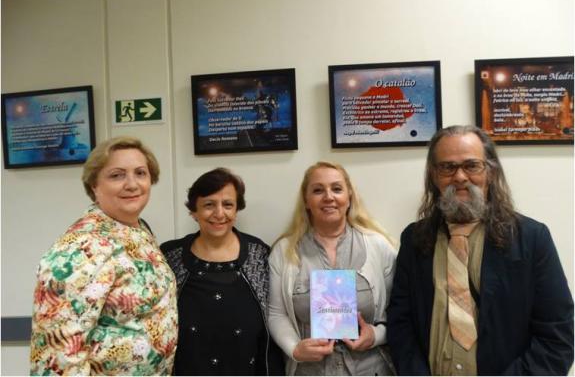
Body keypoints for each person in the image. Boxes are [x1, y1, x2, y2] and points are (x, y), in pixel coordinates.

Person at [387, 125, 574, 375]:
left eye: (471, 165)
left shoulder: (531, 239)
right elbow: (401, 326)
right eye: (448, 167)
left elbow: (557, 335)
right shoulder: (414, 239)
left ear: (490, 171)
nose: (460, 177)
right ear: (434, 175)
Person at [30, 136, 178, 375]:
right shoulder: (80, 247)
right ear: (94, 186)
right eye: (117, 175)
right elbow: (57, 355)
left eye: (140, 173)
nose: (132, 184)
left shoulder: (138, 231)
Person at [268, 161, 397, 375]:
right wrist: (294, 349)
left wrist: (376, 335)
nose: (328, 197)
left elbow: (401, 312)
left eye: (337, 189)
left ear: (349, 198)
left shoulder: (378, 246)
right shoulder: (284, 251)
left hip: (370, 368)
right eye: (318, 190)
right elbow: (276, 313)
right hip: (311, 371)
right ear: (306, 201)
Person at [160, 168, 284, 376]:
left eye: (228, 205)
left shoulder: (259, 254)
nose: (219, 213)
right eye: (208, 205)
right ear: (193, 211)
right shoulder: (170, 255)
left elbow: (276, 314)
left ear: (236, 210)